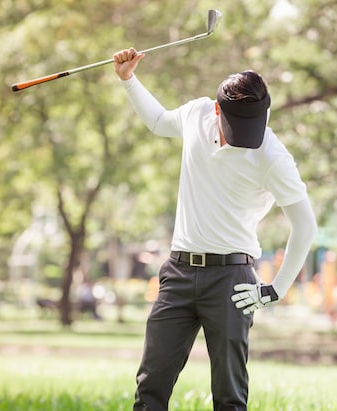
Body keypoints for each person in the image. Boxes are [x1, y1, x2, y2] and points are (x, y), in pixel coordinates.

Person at [113, 47, 318, 411]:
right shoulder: (196, 114)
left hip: (232, 280)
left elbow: (305, 224)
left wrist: (276, 289)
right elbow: (160, 122)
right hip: (177, 273)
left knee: (229, 397)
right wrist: (129, 80)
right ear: (218, 110)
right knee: (150, 388)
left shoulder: (273, 157)